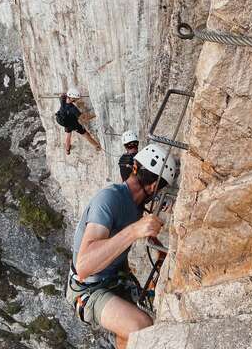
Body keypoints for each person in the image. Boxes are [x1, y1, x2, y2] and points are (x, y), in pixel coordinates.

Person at [66, 144, 177, 349]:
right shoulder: (109, 198)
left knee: (146, 314)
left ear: (135, 167)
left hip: (114, 278)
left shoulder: (135, 205)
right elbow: (84, 265)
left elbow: (117, 249)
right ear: (154, 188)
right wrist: (135, 231)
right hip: (87, 290)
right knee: (141, 326)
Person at [58, 88, 101, 155]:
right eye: (76, 98)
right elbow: (84, 119)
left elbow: (63, 94)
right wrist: (95, 115)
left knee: (68, 135)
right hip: (72, 123)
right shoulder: (73, 109)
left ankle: (67, 150)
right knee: (86, 134)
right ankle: (97, 146)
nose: (77, 99)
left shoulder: (63, 99)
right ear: (71, 98)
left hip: (63, 118)